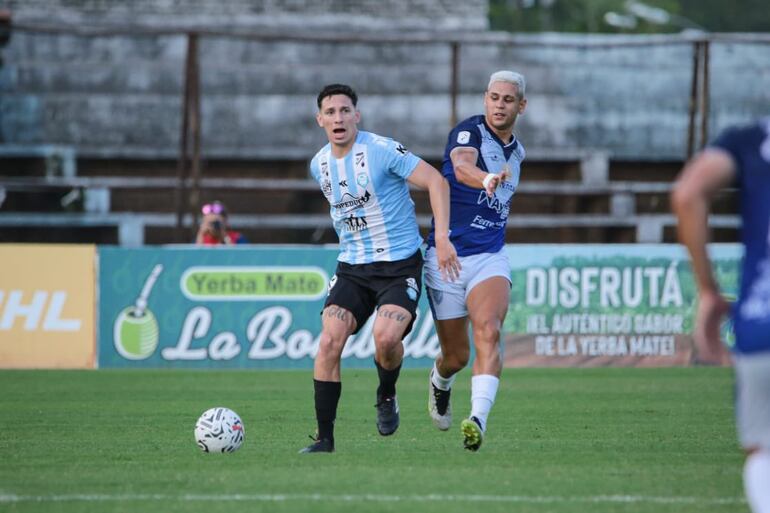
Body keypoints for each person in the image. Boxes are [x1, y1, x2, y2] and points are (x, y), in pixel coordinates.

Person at [300, 83, 460, 453]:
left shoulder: (382, 151)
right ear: (320, 119)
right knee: (328, 342)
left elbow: (436, 181)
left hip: (398, 265)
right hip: (353, 268)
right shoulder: (318, 164)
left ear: (357, 115)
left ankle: (386, 394)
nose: (338, 117)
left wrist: (441, 236)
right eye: (330, 112)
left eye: (345, 110)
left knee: (386, 340)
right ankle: (324, 440)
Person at [423, 70, 527, 451]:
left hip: (490, 256)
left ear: (521, 106)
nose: (500, 105)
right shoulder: (468, 132)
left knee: (489, 330)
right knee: (456, 356)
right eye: (494, 97)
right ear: (485, 99)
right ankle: (440, 381)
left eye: (508, 100)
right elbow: (462, 166)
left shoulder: (518, 152)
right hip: (446, 256)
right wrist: (484, 179)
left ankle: (477, 420)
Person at [672, 119, 770, 513]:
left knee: (762, 449)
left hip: (761, 320)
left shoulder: (752, 138)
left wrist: (709, 291)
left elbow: (687, 193)